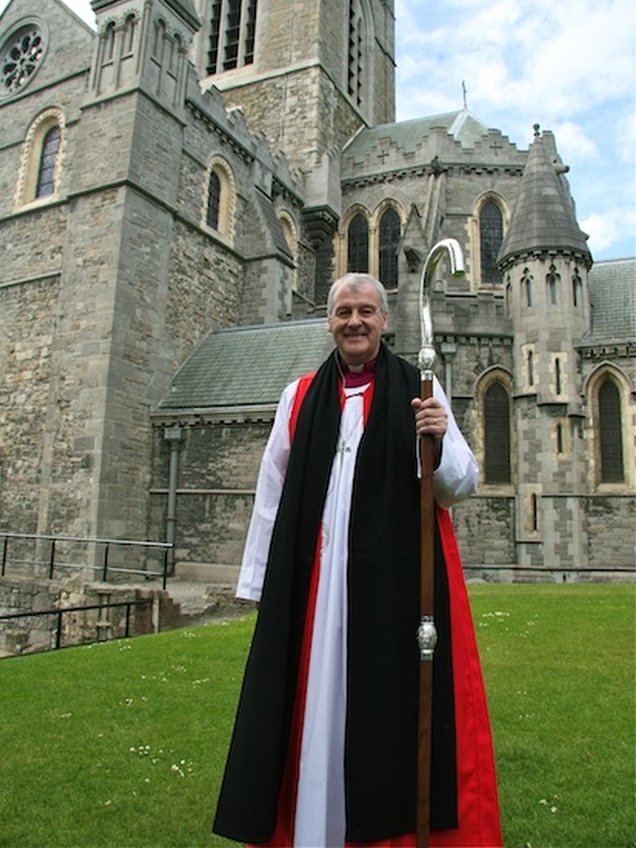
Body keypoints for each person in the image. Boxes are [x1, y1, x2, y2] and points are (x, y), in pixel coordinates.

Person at [213, 273, 502, 848]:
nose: (355, 321)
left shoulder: (420, 388)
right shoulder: (297, 397)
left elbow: (461, 483)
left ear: (384, 320)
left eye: (366, 311)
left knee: (384, 714)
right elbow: (270, 494)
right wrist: (259, 584)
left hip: (390, 589)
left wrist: (439, 441)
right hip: (315, 588)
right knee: (310, 705)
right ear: (329, 321)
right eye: (344, 311)